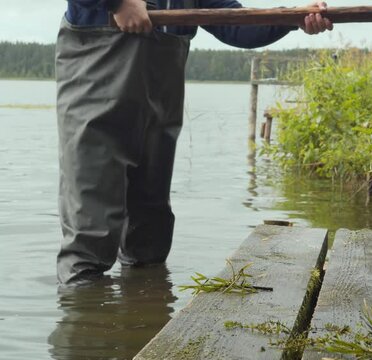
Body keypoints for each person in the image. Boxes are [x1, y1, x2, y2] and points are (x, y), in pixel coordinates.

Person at [56, 0, 333, 285]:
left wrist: (290, 18)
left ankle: (145, 311)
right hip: (94, 91)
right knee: (90, 234)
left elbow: (234, 23)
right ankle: (85, 320)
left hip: (158, 105)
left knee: (150, 231)